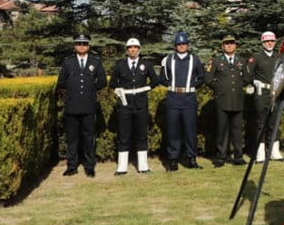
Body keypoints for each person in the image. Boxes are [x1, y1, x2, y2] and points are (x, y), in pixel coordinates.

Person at [54, 34, 108, 177]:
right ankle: (72, 166)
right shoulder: (68, 62)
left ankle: (89, 166)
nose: (82, 46)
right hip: (72, 106)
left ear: (88, 46)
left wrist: (91, 90)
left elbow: (103, 81)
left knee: (88, 137)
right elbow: (61, 82)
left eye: (84, 43)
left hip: (88, 105)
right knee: (72, 138)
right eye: (79, 44)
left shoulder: (95, 62)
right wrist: (73, 92)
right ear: (75, 46)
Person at [108, 37, 160, 175]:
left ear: (139, 49)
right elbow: (112, 83)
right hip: (124, 104)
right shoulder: (120, 65)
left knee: (141, 134)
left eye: (135, 47)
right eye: (130, 48)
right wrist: (118, 89)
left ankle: (143, 166)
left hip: (141, 104)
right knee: (123, 135)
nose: (133, 49)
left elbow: (155, 80)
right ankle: (121, 167)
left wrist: (146, 88)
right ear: (126, 50)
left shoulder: (146, 64)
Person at [160, 31, 205, 171]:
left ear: (188, 45)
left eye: (184, 44)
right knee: (173, 131)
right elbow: (162, 78)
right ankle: (173, 160)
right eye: (179, 44)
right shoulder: (168, 60)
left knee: (190, 130)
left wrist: (191, 86)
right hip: (173, 99)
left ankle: (191, 159)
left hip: (189, 99)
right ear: (175, 46)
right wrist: (173, 87)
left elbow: (202, 77)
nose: (181, 46)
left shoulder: (195, 60)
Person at [207, 35, 252, 167]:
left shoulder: (242, 61)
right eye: (226, 44)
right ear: (222, 46)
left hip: (237, 100)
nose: (229, 45)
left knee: (237, 131)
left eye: (231, 43)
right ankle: (221, 158)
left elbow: (247, 78)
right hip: (222, 100)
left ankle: (238, 157)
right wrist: (220, 88)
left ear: (235, 46)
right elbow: (208, 79)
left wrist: (238, 87)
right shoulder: (215, 61)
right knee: (222, 130)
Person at [247, 30, 284, 162]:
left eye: (272, 41)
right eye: (267, 41)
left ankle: (274, 152)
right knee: (261, 123)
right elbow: (248, 75)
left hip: (276, 92)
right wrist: (254, 82)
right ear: (262, 43)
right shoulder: (256, 57)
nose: (269, 43)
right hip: (262, 93)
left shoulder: (278, 57)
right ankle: (260, 153)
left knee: (274, 123)